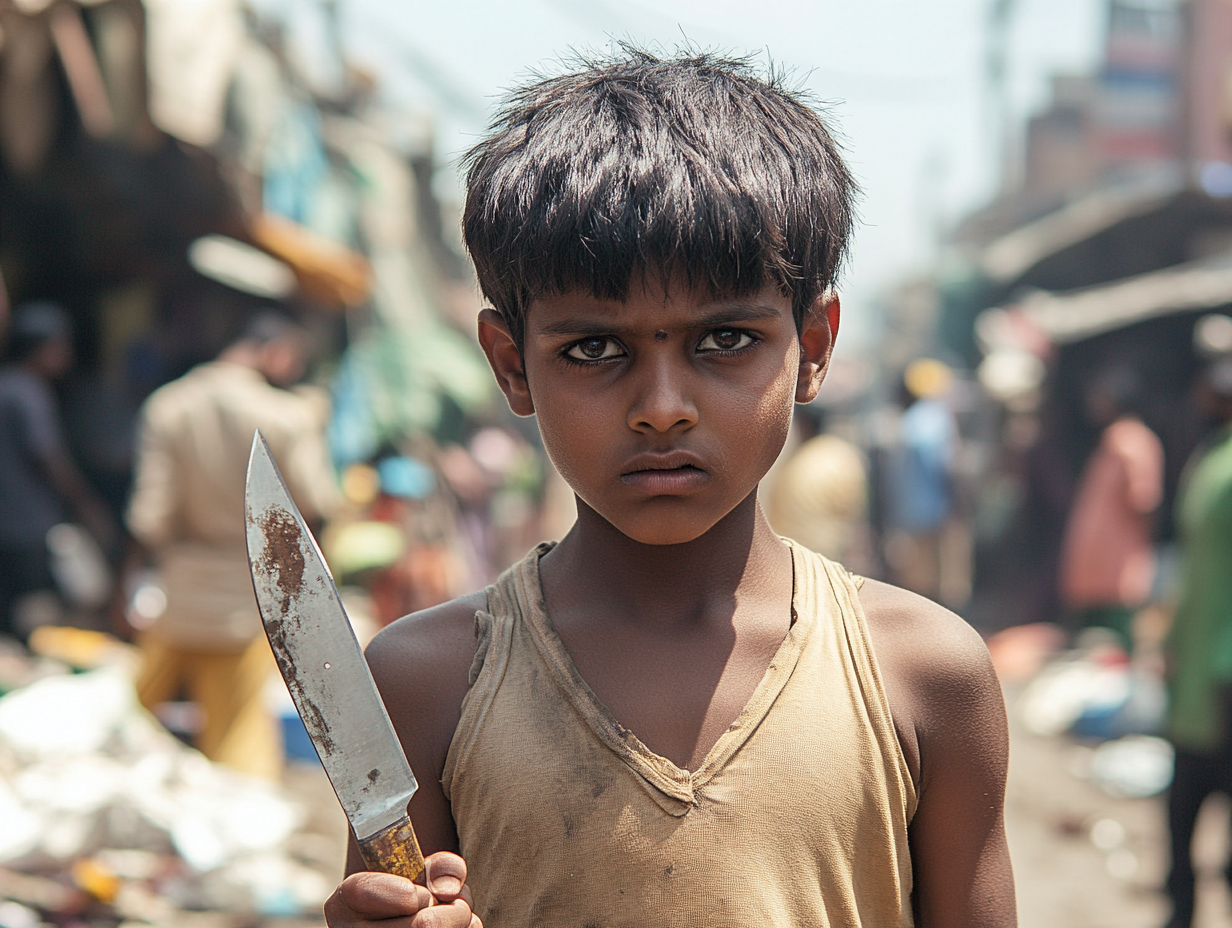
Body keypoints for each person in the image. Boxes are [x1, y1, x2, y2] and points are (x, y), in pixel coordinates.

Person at [326, 50, 1014, 928]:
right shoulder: (428, 681)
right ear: (511, 364)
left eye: (725, 340)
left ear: (814, 346)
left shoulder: (921, 675)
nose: (660, 409)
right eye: (593, 350)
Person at [125, 312, 338, 780]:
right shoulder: (287, 416)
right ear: (276, 352)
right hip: (249, 596)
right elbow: (315, 505)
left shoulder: (168, 406)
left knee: (130, 725)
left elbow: (150, 517)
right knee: (238, 738)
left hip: (179, 595)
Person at [1163, 355, 1232, 928]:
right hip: (1198, 667)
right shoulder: (1210, 462)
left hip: (1217, 672)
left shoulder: (1217, 467)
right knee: (1184, 809)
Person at [0, 302, 115, 640]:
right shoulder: (29, 392)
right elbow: (49, 458)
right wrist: (86, 505)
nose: (66, 355)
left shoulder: (7, 385)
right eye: (61, 345)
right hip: (27, 525)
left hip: (9, 524)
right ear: (41, 347)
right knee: (37, 614)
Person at [1057, 368, 1163, 652]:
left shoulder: (1131, 442)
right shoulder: (1114, 440)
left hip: (1116, 567)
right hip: (1099, 567)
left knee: (1117, 647)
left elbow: (1144, 500)